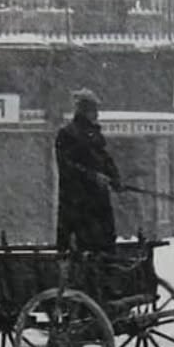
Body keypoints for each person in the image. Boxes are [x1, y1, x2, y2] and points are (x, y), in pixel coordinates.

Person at [54, 88, 122, 252]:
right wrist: (92, 176)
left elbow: (105, 159)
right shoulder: (68, 134)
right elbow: (67, 165)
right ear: (84, 110)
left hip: (98, 199)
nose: (97, 114)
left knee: (105, 238)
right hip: (77, 200)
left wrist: (115, 178)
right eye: (93, 109)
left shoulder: (95, 134)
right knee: (83, 240)